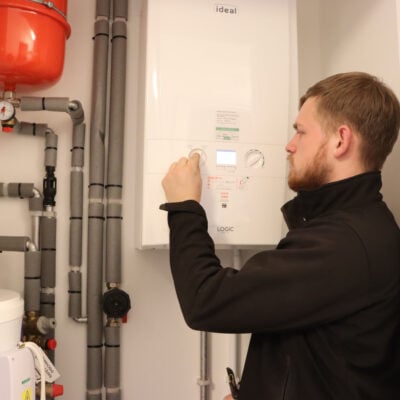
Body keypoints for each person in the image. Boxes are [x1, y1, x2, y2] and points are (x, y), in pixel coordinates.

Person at [160, 72, 400, 399]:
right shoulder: (354, 226)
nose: (289, 145)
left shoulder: (342, 243)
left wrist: (184, 207)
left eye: (300, 131)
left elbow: (206, 300)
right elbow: (315, 350)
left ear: (340, 140)